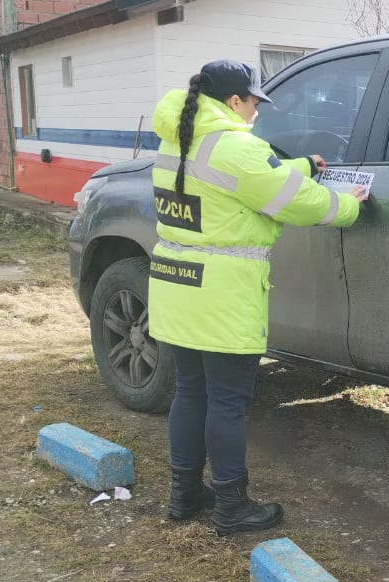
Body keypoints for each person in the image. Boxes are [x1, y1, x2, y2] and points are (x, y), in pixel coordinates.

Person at [148, 60, 368, 535]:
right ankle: (231, 506)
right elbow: (298, 202)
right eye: (253, 102)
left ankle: (184, 494)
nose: (255, 112)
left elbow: (241, 180)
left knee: (191, 391)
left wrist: (302, 165)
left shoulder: (178, 140)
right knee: (227, 402)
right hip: (222, 296)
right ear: (233, 101)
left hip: (177, 283)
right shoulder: (236, 147)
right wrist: (349, 204)